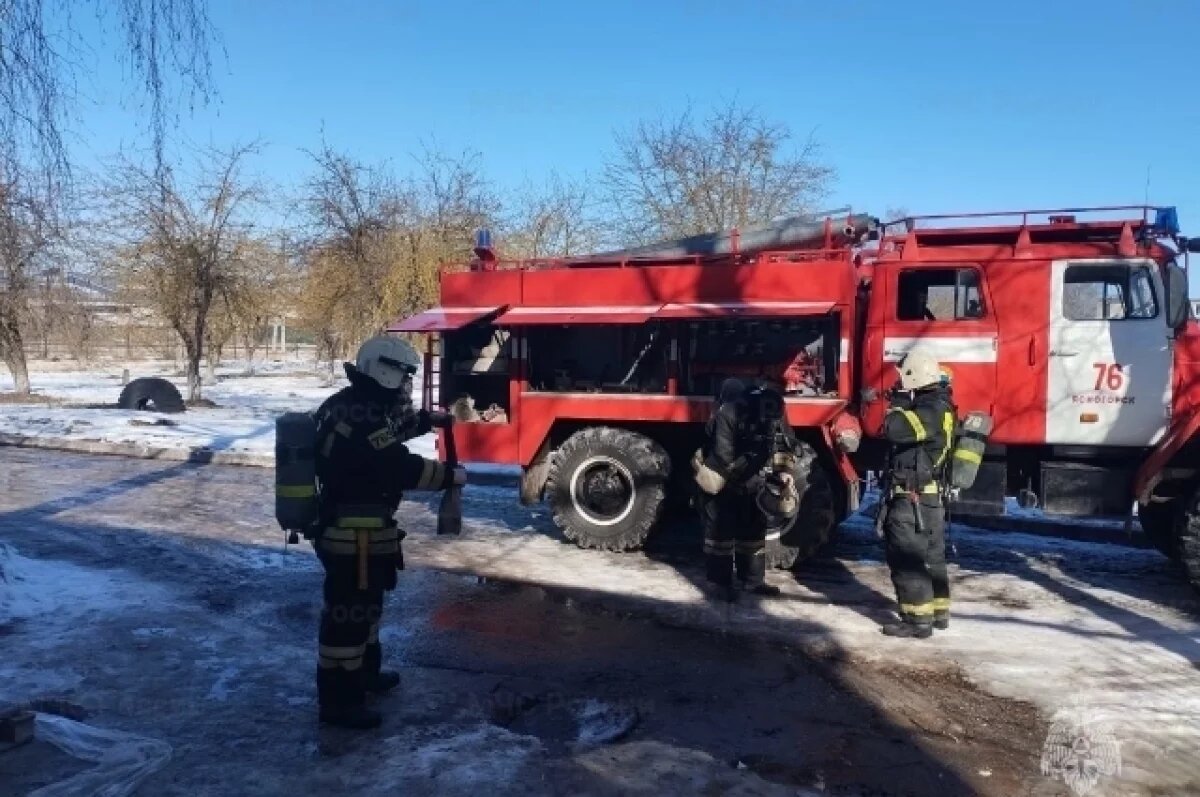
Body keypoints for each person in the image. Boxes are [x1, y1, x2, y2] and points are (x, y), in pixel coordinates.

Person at [312, 335, 465, 729]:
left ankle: (364, 676)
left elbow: (390, 429)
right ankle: (340, 702)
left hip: (358, 533)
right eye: (402, 376)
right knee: (347, 619)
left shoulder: (352, 403)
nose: (404, 384)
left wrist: (426, 421)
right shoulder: (362, 416)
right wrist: (450, 476)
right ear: (384, 370)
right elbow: (397, 466)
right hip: (353, 537)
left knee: (366, 610)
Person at [693, 378, 798, 601]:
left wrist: (783, 472)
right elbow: (723, 455)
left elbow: (784, 443)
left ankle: (752, 581)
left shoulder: (772, 413)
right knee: (720, 535)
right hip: (722, 481)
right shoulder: (728, 413)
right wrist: (747, 471)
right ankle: (719, 584)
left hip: (752, 480)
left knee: (753, 535)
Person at [879, 349, 955, 639]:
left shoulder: (926, 410)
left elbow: (893, 429)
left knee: (907, 556)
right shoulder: (943, 405)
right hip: (930, 498)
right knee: (933, 556)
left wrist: (897, 403)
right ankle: (938, 612)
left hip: (912, 499)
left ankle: (916, 620)